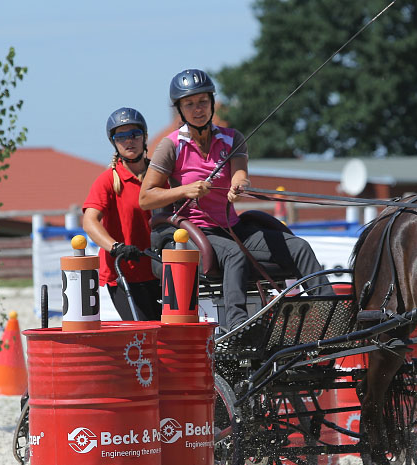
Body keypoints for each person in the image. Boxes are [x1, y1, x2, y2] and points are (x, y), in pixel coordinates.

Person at [139, 68, 332, 331]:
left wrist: (238, 185)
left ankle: (331, 316)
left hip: (232, 226)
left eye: (203, 102)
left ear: (211, 102)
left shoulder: (232, 139)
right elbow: (146, 198)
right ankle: (238, 327)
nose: (198, 109)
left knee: (299, 247)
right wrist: (185, 191)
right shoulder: (170, 146)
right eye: (190, 104)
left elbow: (240, 173)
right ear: (180, 110)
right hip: (196, 232)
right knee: (234, 255)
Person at [82, 107, 161, 321]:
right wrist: (115, 247)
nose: (129, 141)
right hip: (124, 274)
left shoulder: (160, 176)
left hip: (160, 271)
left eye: (134, 135)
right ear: (114, 142)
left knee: (170, 337)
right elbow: (90, 222)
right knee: (144, 334)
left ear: (144, 137)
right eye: (121, 137)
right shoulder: (107, 180)